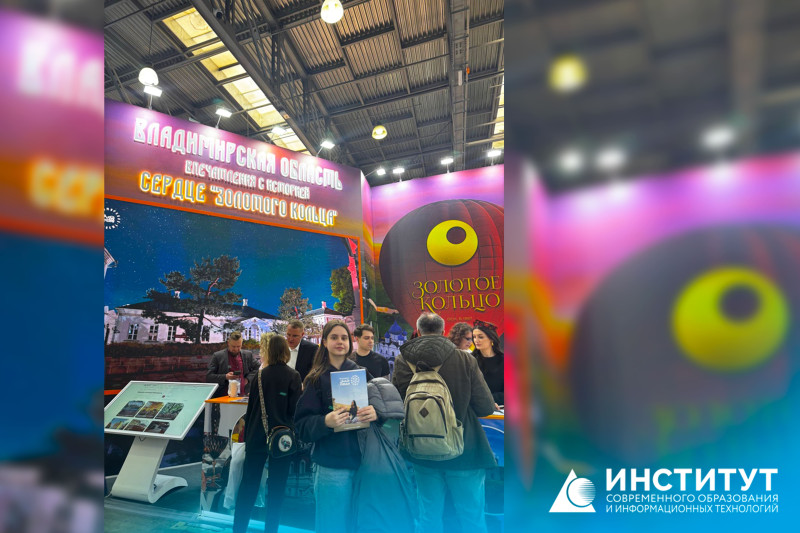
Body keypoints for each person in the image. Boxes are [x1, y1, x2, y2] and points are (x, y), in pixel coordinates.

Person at [392, 312, 496, 533]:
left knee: (428, 518)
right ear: (443, 330)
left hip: (421, 450)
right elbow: (486, 407)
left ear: (419, 331)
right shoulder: (465, 359)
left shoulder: (402, 361)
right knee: (472, 518)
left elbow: (399, 403)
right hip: (464, 450)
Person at [294, 320, 379, 533]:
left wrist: (376, 412)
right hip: (331, 467)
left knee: (363, 525)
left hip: (365, 464)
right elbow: (301, 426)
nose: (340, 342)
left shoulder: (362, 374)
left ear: (350, 342)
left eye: (344, 337)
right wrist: (325, 422)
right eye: (334, 337)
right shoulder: (315, 379)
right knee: (332, 525)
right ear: (324, 342)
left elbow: (382, 407)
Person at [233, 335, 302, 533]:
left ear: (268, 351)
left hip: (256, 435)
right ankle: (271, 529)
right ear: (286, 352)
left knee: (249, 484)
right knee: (277, 487)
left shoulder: (259, 375)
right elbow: (294, 411)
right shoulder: (293, 376)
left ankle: (239, 528)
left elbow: (252, 408)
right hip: (281, 439)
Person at [207, 331, 259, 398]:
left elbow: (259, 368)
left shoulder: (248, 355)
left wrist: (247, 379)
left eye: (238, 346)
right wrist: (225, 377)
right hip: (223, 397)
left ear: (242, 344)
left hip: (244, 396)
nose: (236, 349)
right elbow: (209, 377)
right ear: (228, 343)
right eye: (233, 346)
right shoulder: (218, 356)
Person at [472, 321, 504, 406]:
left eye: (481, 337)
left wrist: (491, 400)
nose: (476, 340)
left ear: (491, 339)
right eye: (474, 337)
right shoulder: (470, 360)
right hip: (477, 407)